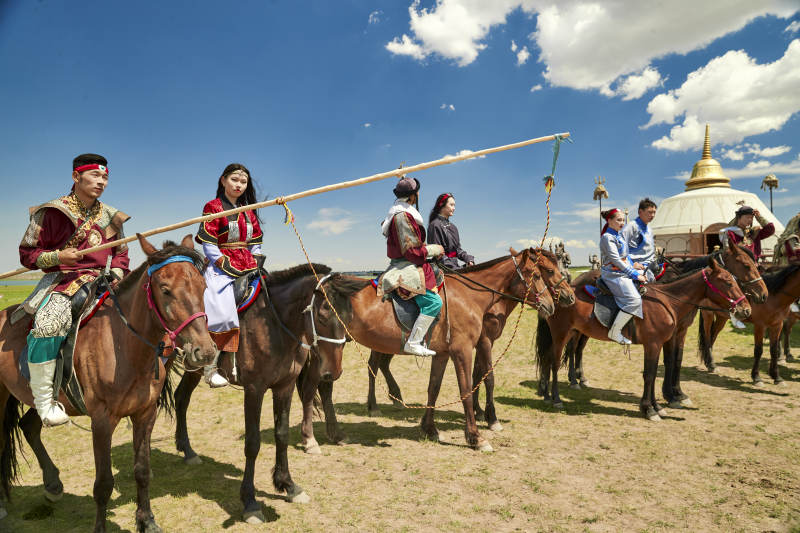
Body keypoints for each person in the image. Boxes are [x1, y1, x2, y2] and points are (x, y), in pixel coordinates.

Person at [17, 154, 130, 426]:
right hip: (64, 280)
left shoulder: (112, 217)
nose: (101, 182)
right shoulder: (52, 211)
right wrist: (58, 257)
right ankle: (45, 402)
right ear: (75, 177)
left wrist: (115, 273)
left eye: (105, 177)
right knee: (48, 325)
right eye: (95, 176)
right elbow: (27, 253)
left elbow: (122, 256)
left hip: (105, 281)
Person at [196, 163, 263, 387]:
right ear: (223, 181)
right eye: (234, 180)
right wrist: (223, 264)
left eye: (243, 182)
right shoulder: (213, 207)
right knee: (219, 305)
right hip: (220, 263)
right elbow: (209, 243)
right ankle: (210, 366)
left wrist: (256, 259)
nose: (238, 185)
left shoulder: (249, 210)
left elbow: (255, 242)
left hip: (248, 262)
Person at [379, 176, 444, 356]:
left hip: (409, 262)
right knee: (434, 302)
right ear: (412, 197)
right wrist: (434, 249)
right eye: (417, 193)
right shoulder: (403, 216)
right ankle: (414, 342)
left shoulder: (399, 213)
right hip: (406, 266)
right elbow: (412, 252)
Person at [599, 208, 646, 345]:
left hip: (622, 271)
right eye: (618, 220)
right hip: (613, 275)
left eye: (623, 220)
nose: (622, 222)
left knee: (650, 276)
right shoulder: (607, 238)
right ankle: (615, 331)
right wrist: (635, 274)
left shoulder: (619, 236)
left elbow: (625, 257)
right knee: (634, 300)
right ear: (609, 221)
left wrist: (634, 265)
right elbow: (616, 260)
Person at [427, 193, 474, 270]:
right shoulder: (434, 225)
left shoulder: (453, 227)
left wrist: (468, 259)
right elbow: (438, 254)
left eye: (454, 205)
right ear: (442, 205)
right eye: (451, 205)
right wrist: (455, 269)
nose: (454, 208)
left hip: (455, 267)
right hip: (442, 269)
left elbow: (458, 250)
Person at [621, 198, 658, 282]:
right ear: (640, 212)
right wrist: (631, 264)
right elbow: (619, 246)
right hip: (636, 268)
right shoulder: (631, 227)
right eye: (650, 212)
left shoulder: (648, 229)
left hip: (648, 267)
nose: (652, 215)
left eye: (654, 212)